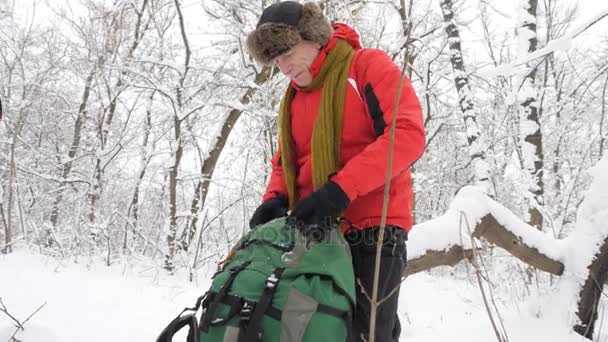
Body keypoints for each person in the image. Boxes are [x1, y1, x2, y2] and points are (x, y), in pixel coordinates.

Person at [245, 2, 425, 341]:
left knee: (366, 334)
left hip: (373, 230)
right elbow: (287, 161)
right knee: (308, 331)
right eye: (274, 59)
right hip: (313, 232)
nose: (282, 67)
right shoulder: (295, 99)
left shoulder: (366, 67)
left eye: (285, 52)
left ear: (312, 38)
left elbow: (407, 135)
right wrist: (275, 198)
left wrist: (340, 189)